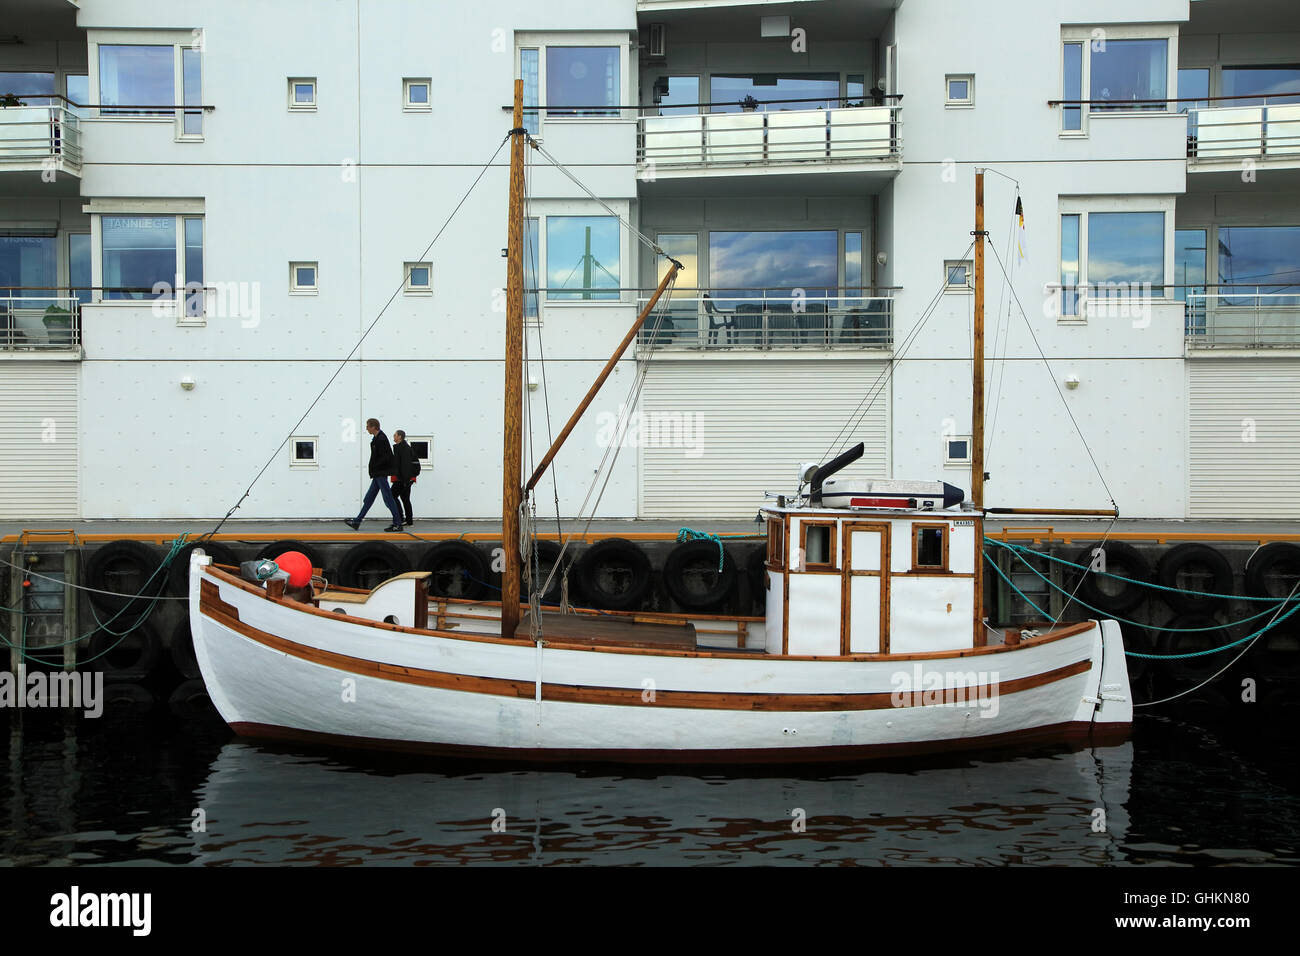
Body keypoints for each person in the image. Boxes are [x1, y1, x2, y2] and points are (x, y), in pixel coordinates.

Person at [345, 418, 404, 532]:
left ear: (373, 427)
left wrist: (376, 466)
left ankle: (398, 523)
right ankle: (357, 521)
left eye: (368, 426)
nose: (366, 428)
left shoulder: (381, 439)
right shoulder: (377, 438)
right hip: (378, 474)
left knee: (388, 499)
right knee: (369, 498)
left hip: (380, 473)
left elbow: (386, 457)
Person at [389, 429, 421, 526]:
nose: (393, 437)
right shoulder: (402, 447)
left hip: (403, 479)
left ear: (400, 437)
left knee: (392, 495)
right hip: (406, 478)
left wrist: (405, 481)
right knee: (405, 498)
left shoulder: (403, 448)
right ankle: (408, 520)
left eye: (395, 435)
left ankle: (400, 518)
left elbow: (405, 465)